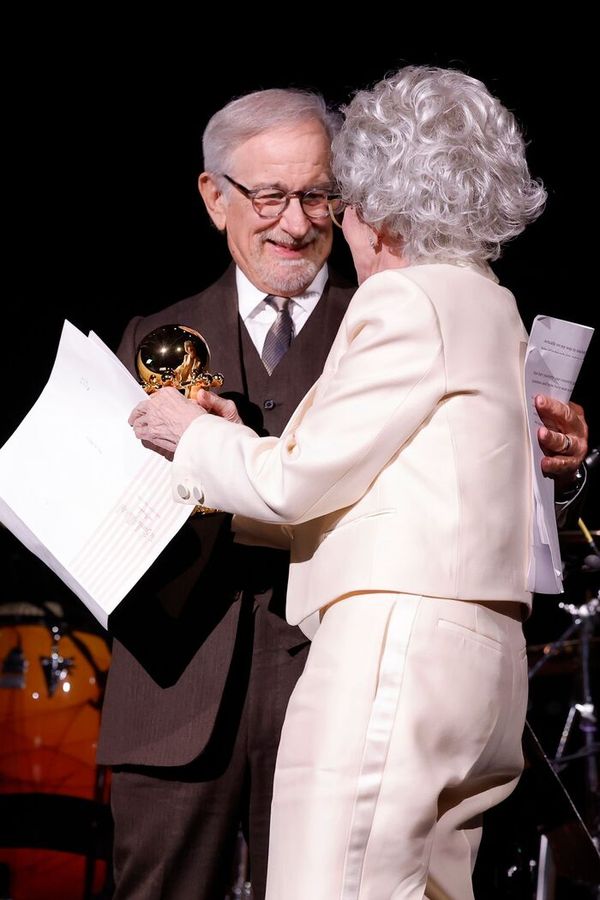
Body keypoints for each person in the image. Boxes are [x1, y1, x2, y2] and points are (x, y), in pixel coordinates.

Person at [128, 66, 589, 900]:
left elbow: (297, 485)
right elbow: (397, 490)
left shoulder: (403, 300)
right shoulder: (496, 306)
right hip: (482, 669)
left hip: (395, 650)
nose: (329, 223)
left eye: (335, 200)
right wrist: (240, 452)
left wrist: (193, 437)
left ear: (377, 198)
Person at [96, 88, 355, 900]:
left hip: (332, 695)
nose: (296, 222)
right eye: (271, 195)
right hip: (171, 699)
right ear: (215, 197)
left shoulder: (384, 329)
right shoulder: (151, 336)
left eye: (317, 194)